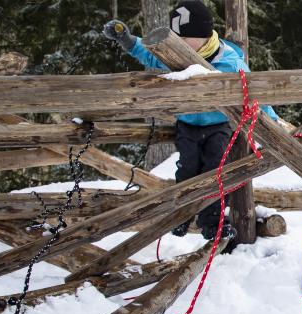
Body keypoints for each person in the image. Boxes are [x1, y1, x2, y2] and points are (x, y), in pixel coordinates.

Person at [103, 0, 279, 241]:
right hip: (187, 125)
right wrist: (128, 41)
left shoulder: (230, 62)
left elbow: (254, 95)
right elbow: (150, 57)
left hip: (217, 126)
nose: (180, 43)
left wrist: (272, 122)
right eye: (177, 37)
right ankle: (182, 215)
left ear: (204, 35)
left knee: (214, 173)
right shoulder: (176, 55)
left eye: (185, 38)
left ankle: (212, 223)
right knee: (187, 170)